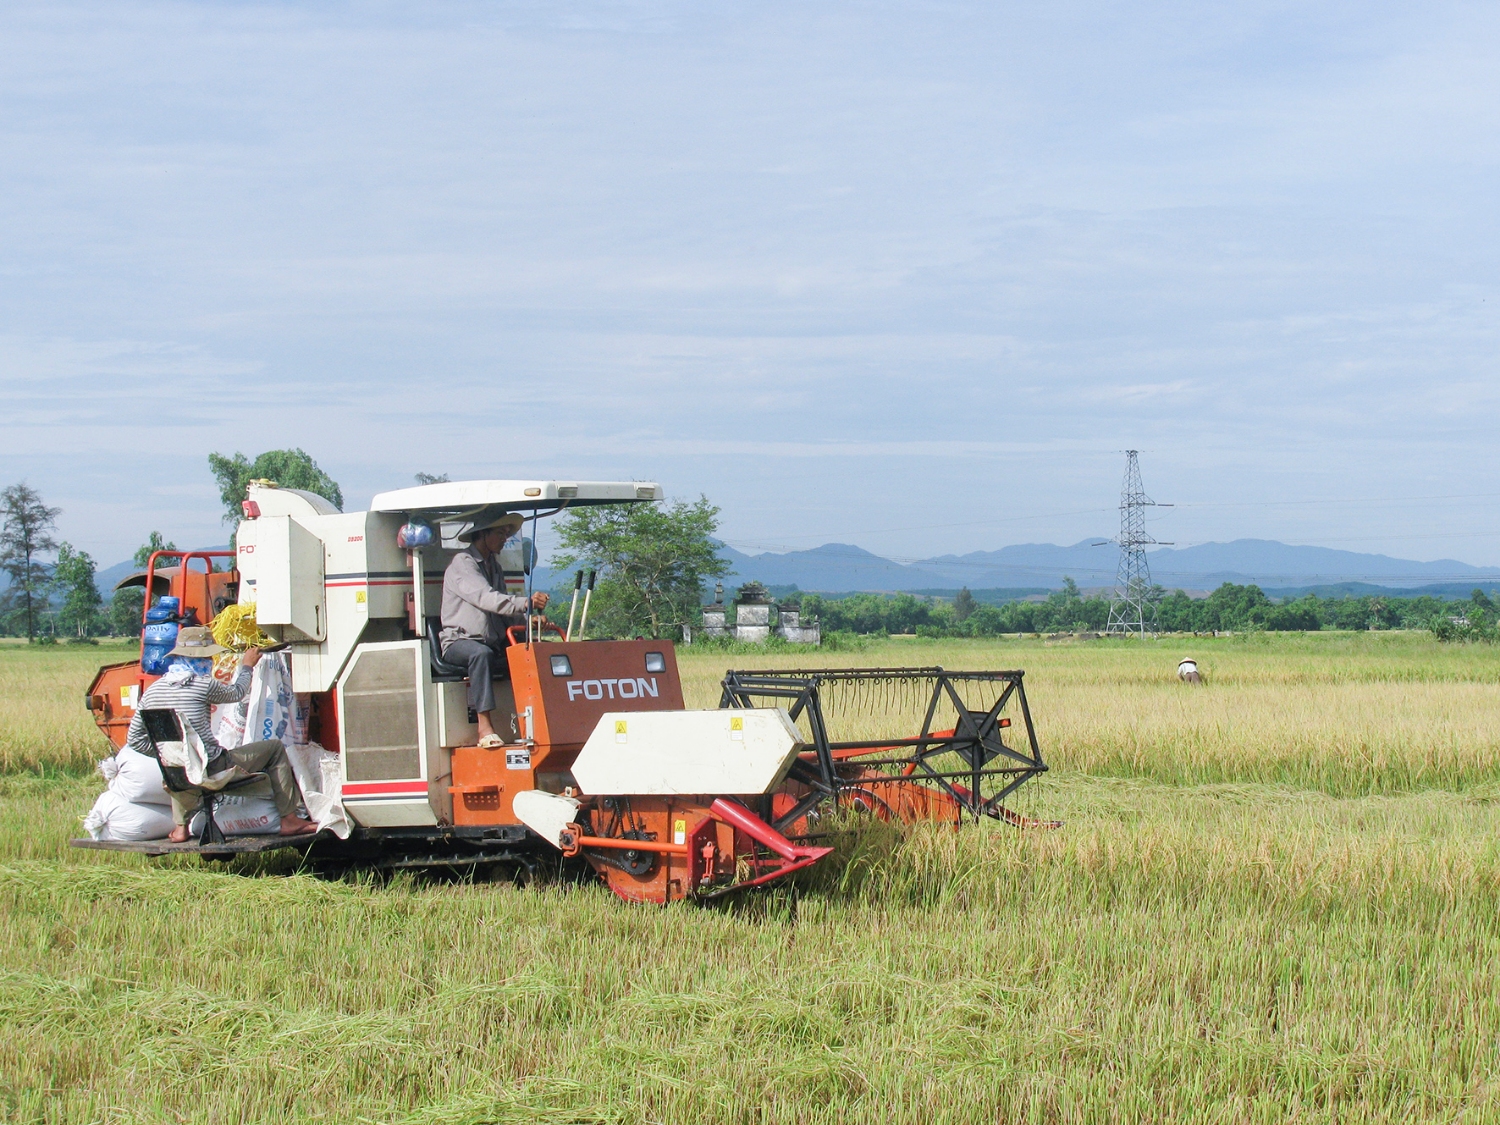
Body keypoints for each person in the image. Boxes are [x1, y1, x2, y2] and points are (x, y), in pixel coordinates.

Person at [125, 626, 316, 842]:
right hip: (215, 766)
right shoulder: (201, 684)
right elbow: (237, 692)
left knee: (179, 761)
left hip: (176, 772)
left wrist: (170, 754)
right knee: (274, 748)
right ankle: (289, 819)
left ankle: (180, 828)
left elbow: (134, 740)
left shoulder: (153, 691)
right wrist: (247, 665)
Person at [439, 512, 549, 747]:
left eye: (507, 534)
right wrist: (526, 602)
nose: (504, 539)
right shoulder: (462, 564)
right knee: (481, 654)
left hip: (490, 640)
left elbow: (501, 611)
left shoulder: (494, 567)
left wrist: (528, 622)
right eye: (500, 533)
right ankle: (484, 729)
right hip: (458, 641)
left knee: (531, 651)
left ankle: (537, 722)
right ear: (482, 534)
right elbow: (486, 599)